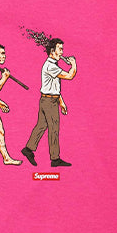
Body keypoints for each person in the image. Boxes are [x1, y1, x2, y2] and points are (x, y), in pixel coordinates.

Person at [22, 38, 76, 167]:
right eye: (60, 49)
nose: (62, 52)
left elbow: (54, 88)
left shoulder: (52, 65)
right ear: (52, 51)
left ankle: (28, 149)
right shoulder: (51, 66)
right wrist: (74, 64)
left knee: (41, 126)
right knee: (54, 129)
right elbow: (70, 76)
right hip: (49, 102)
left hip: (47, 100)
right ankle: (55, 159)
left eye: (62, 49)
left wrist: (61, 102)